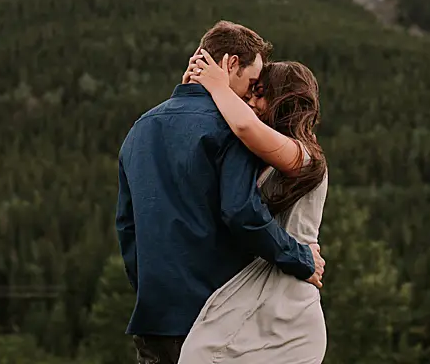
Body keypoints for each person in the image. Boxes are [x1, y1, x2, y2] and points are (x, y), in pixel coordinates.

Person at [115, 21, 324, 364]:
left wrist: (150, 289)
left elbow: (127, 227)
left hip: (154, 316)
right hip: (214, 318)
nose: (250, 96)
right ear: (229, 66)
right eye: (253, 83)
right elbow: (241, 212)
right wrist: (300, 257)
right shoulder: (230, 129)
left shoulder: (140, 129)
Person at [178, 49, 330, 364]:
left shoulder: (306, 157)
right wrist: (190, 93)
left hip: (289, 312)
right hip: (249, 299)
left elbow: (245, 127)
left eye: (259, 95)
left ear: (283, 101)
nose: (250, 102)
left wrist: (219, 86)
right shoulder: (254, 159)